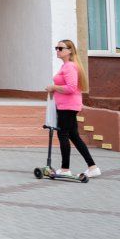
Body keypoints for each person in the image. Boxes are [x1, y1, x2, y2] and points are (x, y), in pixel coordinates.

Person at [46, 38, 101, 178]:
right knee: (74, 136)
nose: (57, 50)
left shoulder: (69, 66)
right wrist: (55, 90)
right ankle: (92, 167)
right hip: (66, 105)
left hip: (68, 106)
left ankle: (65, 169)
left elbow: (71, 88)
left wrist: (54, 87)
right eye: (56, 48)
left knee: (63, 134)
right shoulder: (66, 66)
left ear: (69, 51)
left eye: (61, 48)